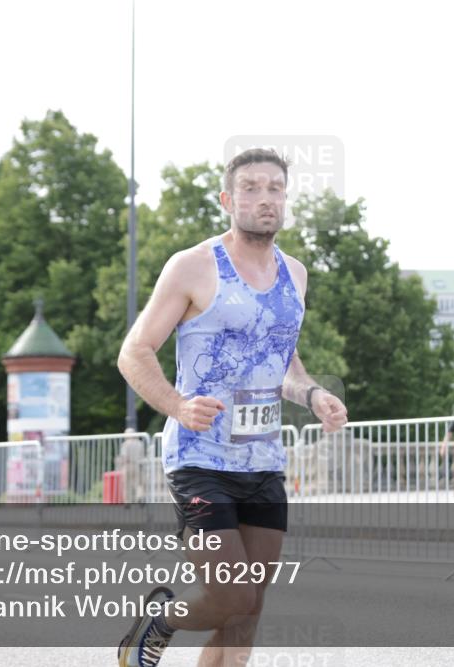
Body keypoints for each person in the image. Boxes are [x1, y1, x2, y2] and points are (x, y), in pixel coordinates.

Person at [116, 147, 348, 667]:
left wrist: (313, 394)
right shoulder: (194, 267)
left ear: (285, 198)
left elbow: (282, 359)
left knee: (248, 611)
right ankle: (160, 621)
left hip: (263, 462)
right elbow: (134, 351)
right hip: (200, 460)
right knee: (232, 595)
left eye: (275, 189)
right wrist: (177, 405)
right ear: (227, 199)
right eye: (250, 188)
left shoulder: (295, 274)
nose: (265, 199)